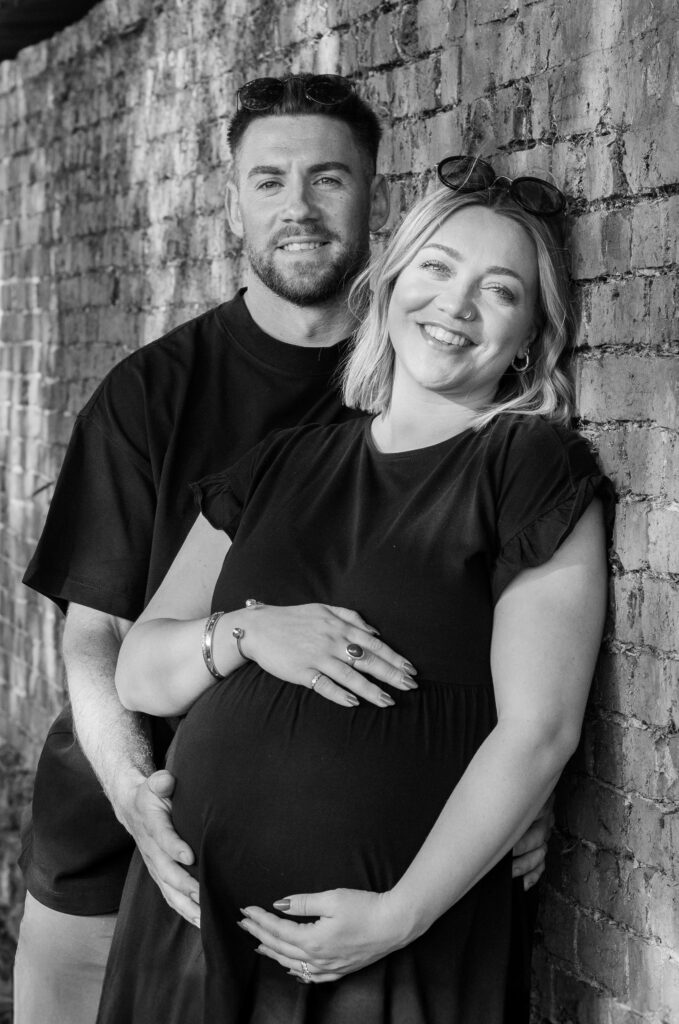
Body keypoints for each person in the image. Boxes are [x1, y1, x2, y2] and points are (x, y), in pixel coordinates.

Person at [14, 79, 548, 1023]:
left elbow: (489, 634)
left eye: (327, 179)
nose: (297, 207)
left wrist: (516, 794)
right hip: (123, 827)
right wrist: (135, 792)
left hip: (345, 904)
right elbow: (96, 642)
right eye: (268, 181)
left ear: (374, 200)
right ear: (231, 201)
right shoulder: (151, 396)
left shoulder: (428, 385)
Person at [97, 159, 614, 1023]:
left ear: (529, 335)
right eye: (437, 269)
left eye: (500, 291)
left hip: (388, 945)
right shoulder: (281, 461)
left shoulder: (529, 468)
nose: (454, 305)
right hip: (190, 926)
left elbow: (541, 731)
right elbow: (140, 671)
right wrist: (246, 635)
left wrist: (397, 914)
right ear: (393, 283)